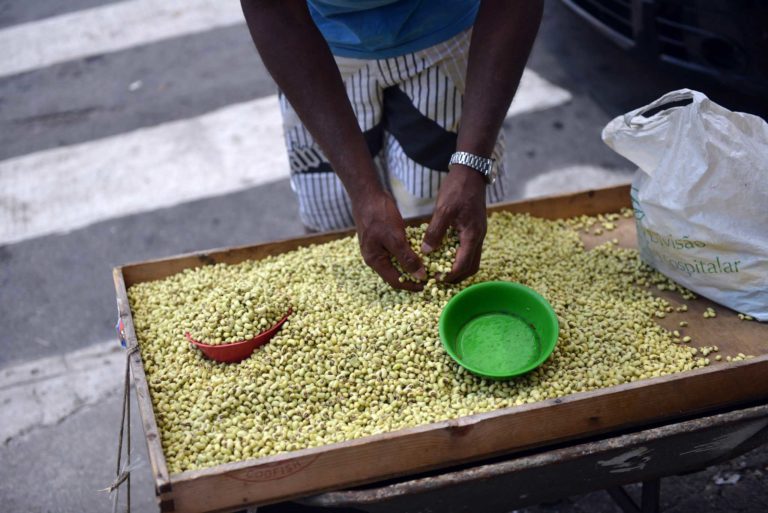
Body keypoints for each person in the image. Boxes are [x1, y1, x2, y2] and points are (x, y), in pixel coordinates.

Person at [242, 0, 543, 290]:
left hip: (444, 35)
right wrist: (362, 193)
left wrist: (471, 162)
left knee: (449, 231)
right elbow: (271, 8)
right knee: (332, 229)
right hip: (314, 53)